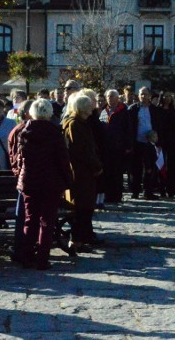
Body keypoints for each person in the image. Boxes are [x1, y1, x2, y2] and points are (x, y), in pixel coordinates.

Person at [15, 98, 72, 270]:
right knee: (47, 221)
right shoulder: (55, 133)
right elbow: (63, 160)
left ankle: (27, 257)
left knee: (30, 220)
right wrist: (68, 181)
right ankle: (42, 259)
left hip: (30, 180)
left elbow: (20, 159)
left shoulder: (24, 132)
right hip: (50, 182)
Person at [63, 94, 103, 251]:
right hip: (81, 173)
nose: (91, 108)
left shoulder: (82, 123)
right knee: (81, 207)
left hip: (85, 172)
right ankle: (76, 241)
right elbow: (82, 151)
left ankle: (83, 239)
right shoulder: (74, 124)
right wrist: (97, 166)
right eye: (87, 106)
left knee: (86, 207)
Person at [100, 89, 132, 204]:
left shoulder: (124, 111)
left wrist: (128, 146)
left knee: (117, 173)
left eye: (112, 96)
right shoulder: (103, 110)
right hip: (106, 147)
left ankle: (117, 196)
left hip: (119, 147)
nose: (109, 98)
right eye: (108, 96)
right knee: (107, 172)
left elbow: (128, 129)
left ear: (117, 98)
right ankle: (108, 195)